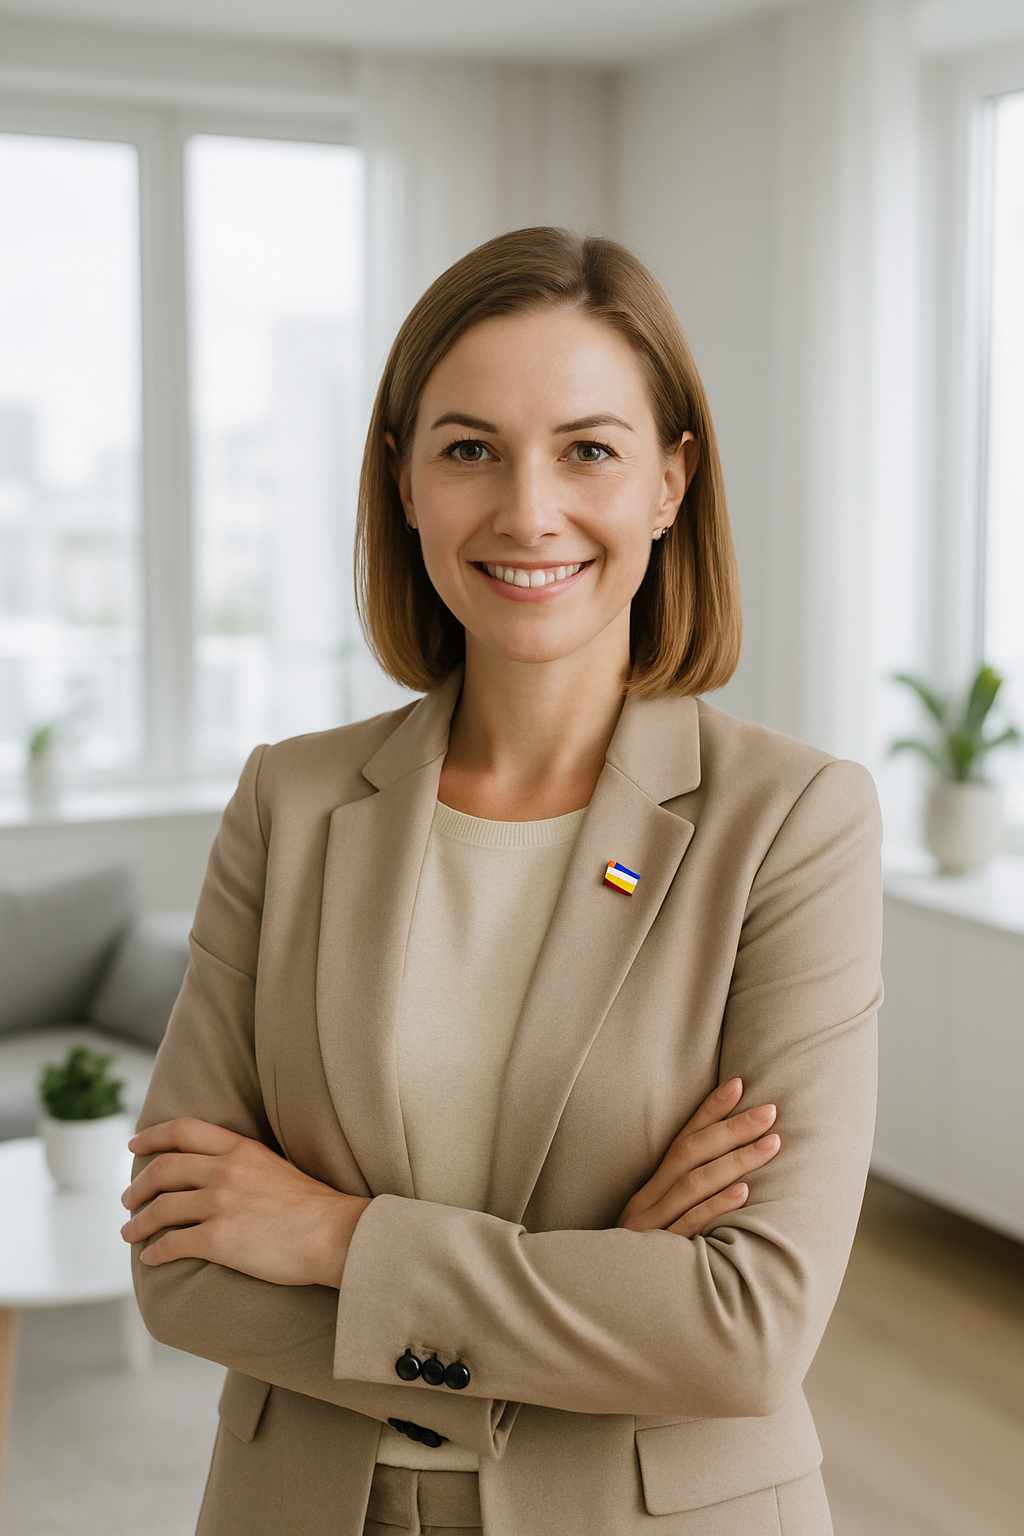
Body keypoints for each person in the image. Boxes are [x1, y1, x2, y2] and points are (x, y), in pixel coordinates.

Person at [121, 227, 882, 1536]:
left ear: (671, 481)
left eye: (589, 449)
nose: (528, 511)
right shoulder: (289, 801)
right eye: (470, 449)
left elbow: (746, 1329)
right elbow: (182, 1266)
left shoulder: (793, 821)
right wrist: (608, 1290)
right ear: (405, 482)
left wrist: (332, 1240)